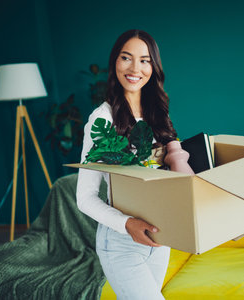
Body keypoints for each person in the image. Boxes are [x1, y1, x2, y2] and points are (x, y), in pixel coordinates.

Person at [76, 29, 177, 300]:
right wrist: (127, 224)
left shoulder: (157, 115)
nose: (135, 68)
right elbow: (84, 198)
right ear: (115, 63)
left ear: (153, 67)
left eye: (144, 60)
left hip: (160, 237)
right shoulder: (102, 119)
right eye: (126, 58)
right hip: (122, 241)